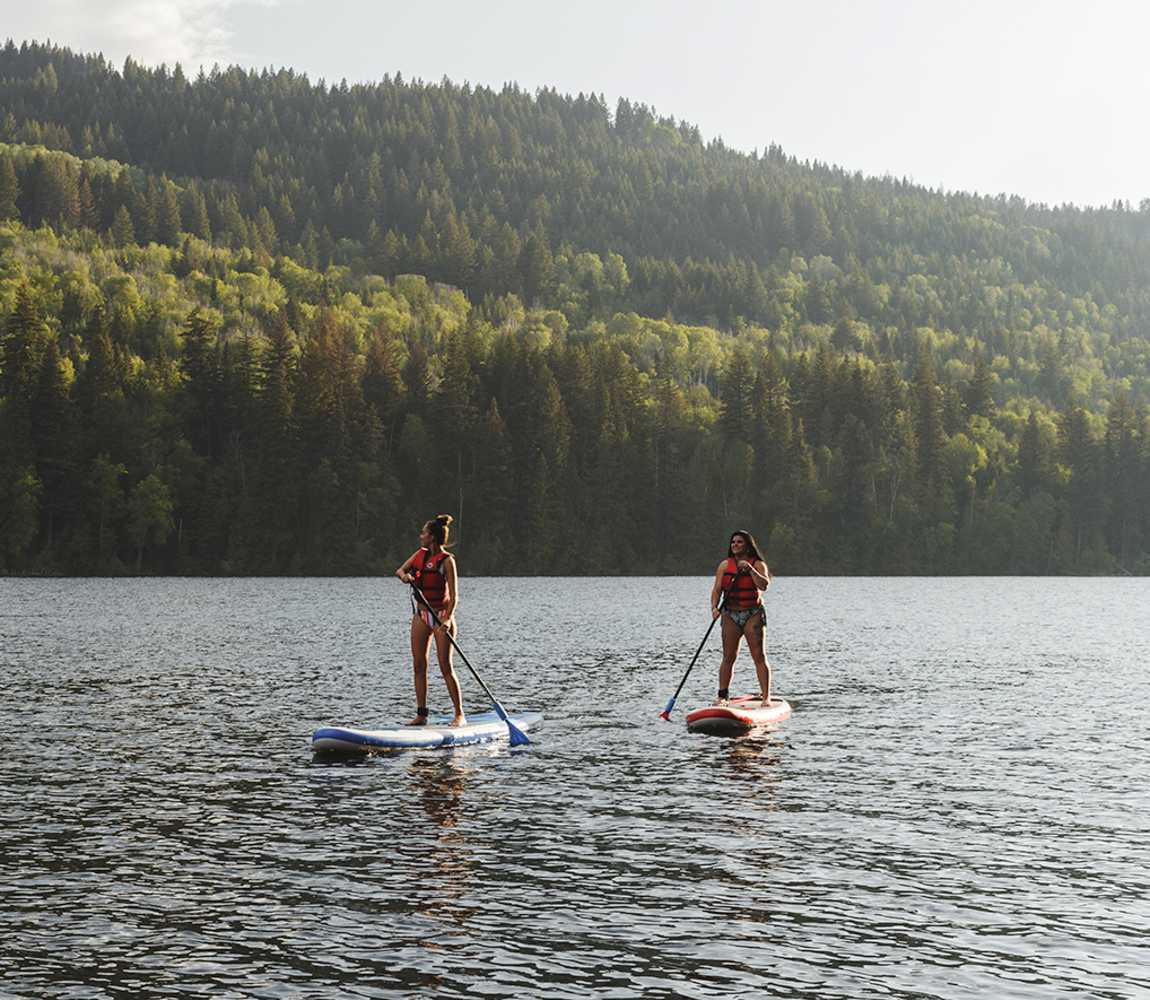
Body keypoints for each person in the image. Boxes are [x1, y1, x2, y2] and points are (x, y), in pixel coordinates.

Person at [395, 514, 466, 727]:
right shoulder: (420, 554)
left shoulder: (447, 561)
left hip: (441, 617)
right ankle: (421, 715)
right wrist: (405, 577)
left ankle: (459, 714)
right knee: (419, 665)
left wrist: (447, 619)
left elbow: (454, 597)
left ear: (432, 537)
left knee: (445, 666)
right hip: (421, 615)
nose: (421, 536)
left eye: (424, 533)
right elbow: (400, 570)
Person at [710, 529, 773, 707]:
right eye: (733, 542)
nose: (735, 545)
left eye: (739, 542)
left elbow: (764, 585)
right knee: (728, 656)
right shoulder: (724, 566)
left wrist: (750, 569)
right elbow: (716, 590)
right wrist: (714, 608)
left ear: (747, 545)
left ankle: (766, 697)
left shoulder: (758, 564)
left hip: (752, 613)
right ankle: (723, 696)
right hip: (730, 613)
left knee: (758, 655)